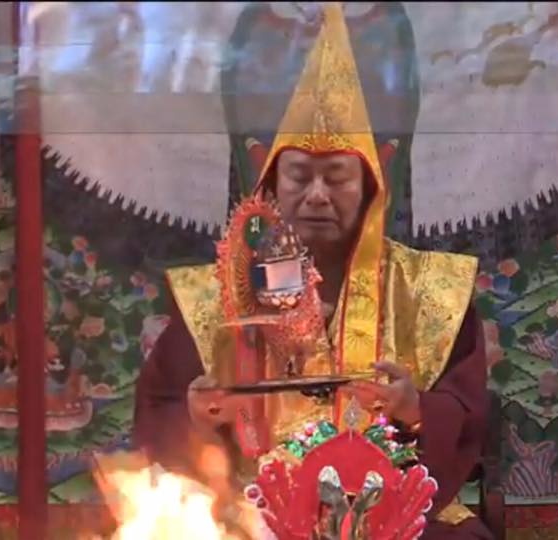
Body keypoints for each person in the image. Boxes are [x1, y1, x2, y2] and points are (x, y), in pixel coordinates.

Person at [133, 4, 493, 538]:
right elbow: (159, 412)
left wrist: (415, 409)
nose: (317, 195)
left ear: (371, 185)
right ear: (270, 185)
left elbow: (469, 412)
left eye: (337, 177)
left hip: (392, 509)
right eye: (299, 176)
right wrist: (197, 416)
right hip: (254, 514)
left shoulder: (431, 289)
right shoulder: (215, 294)